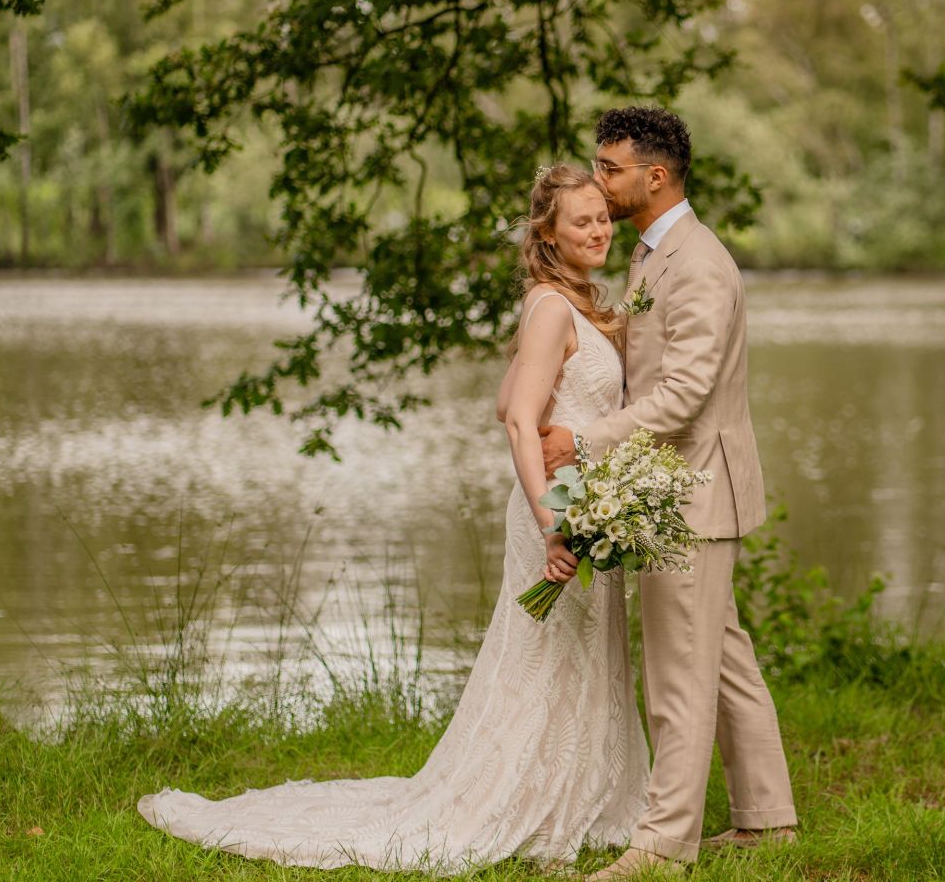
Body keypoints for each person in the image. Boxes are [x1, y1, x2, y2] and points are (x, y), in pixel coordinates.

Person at [137, 165, 650, 873]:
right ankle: (527, 802)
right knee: (544, 659)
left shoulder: (575, 304)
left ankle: (584, 794)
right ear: (548, 234)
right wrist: (551, 521)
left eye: (603, 218)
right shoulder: (552, 308)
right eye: (581, 221)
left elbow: (508, 401)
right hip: (554, 512)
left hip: (583, 503)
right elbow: (518, 428)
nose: (597, 230)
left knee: (579, 655)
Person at [541, 106, 797, 880]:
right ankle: (766, 822)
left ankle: (661, 847)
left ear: (655, 177)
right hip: (678, 487)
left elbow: (684, 394)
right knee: (719, 657)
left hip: (694, 492)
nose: (598, 180)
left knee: (678, 676)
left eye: (609, 168)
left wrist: (586, 442)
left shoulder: (698, 263)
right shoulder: (657, 255)